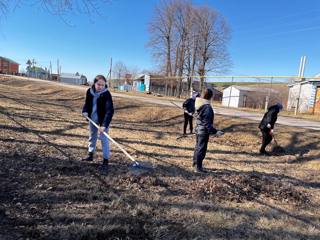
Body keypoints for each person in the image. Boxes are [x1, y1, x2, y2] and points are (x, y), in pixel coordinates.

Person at [82, 75, 114, 171]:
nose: (100, 86)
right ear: (94, 83)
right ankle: (90, 155)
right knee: (92, 136)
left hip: (103, 120)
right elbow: (87, 103)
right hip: (92, 119)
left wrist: (104, 125)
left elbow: (109, 111)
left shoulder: (106, 94)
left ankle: (105, 160)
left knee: (104, 138)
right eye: (98, 84)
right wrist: (85, 111)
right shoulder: (89, 91)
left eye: (102, 85)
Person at [193, 88, 224, 173]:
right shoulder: (207, 107)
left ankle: (196, 164)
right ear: (211, 97)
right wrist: (215, 132)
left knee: (197, 148)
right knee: (201, 149)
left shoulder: (199, 103)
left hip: (198, 129)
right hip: (203, 131)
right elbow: (207, 123)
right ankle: (198, 168)